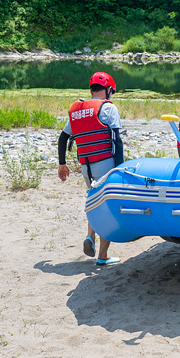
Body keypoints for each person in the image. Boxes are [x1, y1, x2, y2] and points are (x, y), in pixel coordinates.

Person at [57, 72, 124, 265]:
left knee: (94, 199)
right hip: (104, 163)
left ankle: (89, 235)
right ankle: (103, 256)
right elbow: (117, 141)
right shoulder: (108, 108)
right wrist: (119, 170)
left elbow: (63, 138)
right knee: (107, 206)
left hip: (85, 165)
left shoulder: (79, 110)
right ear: (109, 90)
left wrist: (62, 163)